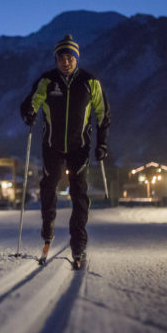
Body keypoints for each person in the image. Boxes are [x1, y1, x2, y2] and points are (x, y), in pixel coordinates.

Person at [20, 34, 111, 268]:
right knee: (48, 186)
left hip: (79, 148)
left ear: (76, 58)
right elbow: (30, 102)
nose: (66, 62)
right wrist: (29, 113)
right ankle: (47, 229)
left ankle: (78, 244)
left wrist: (102, 144)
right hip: (52, 146)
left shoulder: (90, 82)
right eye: (61, 57)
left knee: (79, 195)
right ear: (56, 59)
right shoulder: (47, 81)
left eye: (70, 57)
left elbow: (103, 116)